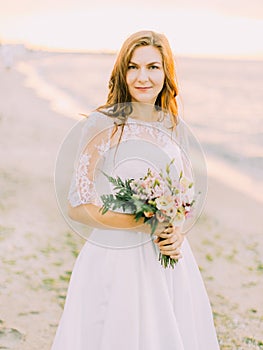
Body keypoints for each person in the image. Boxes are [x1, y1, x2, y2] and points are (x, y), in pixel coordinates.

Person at [51, 30, 220, 349]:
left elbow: (183, 198)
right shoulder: (103, 124)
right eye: (133, 67)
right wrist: (144, 224)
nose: (143, 76)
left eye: (153, 67)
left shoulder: (172, 125)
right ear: (122, 72)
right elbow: (77, 205)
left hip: (167, 260)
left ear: (166, 72)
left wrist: (177, 232)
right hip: (114, 258)